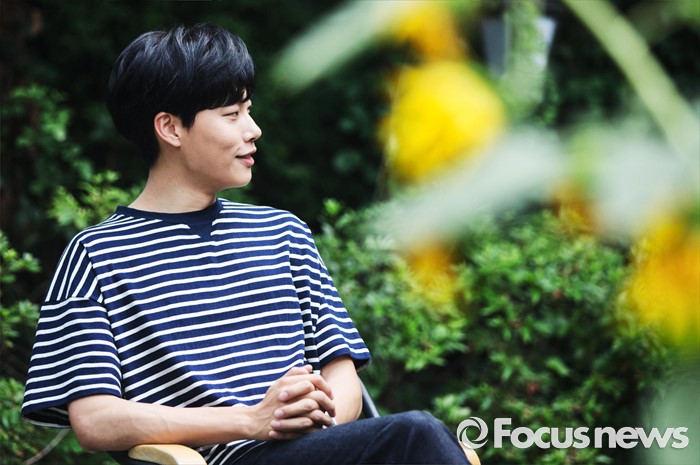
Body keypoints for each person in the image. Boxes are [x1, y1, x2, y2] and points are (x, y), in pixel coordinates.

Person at [21, 23, 471, 465]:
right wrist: (250, 421)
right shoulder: (96, 256)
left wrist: (314, 418)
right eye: (231, 115)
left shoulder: (283, 233)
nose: (253, 130)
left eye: (248, 110)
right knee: (417, 435)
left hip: (315, 449)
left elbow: (342, 375)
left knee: (418, 437)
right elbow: (95, 420)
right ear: (171, 128)